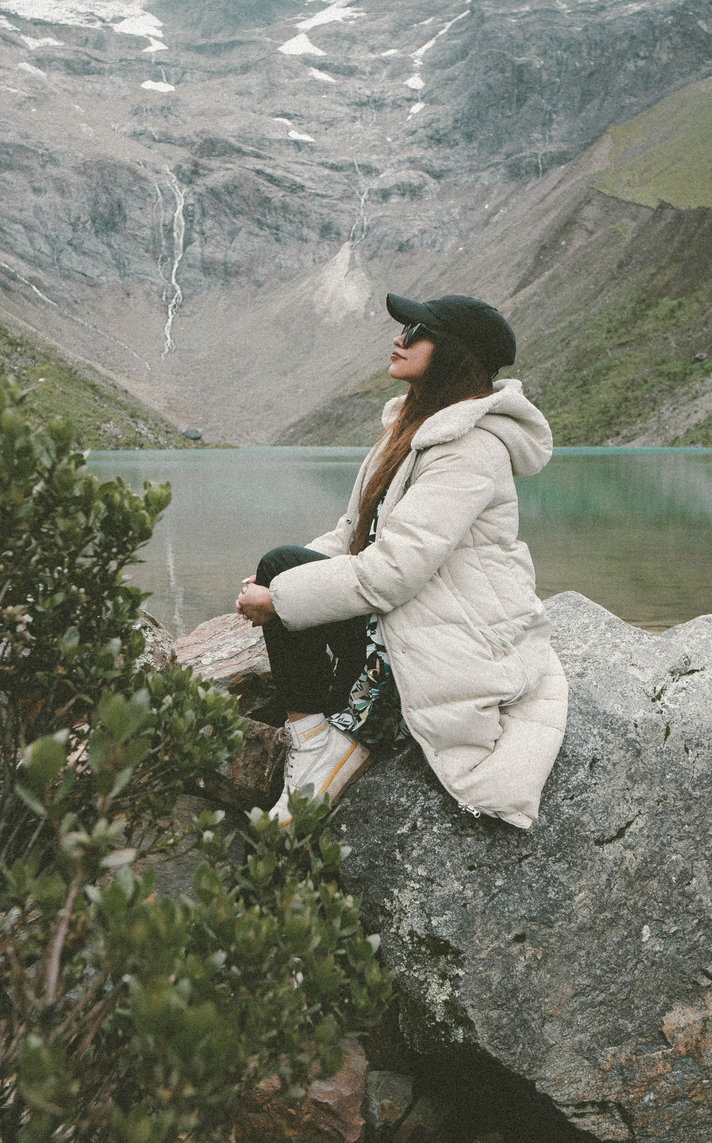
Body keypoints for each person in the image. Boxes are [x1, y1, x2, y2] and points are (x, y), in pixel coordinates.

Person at [235, 292, 568, 829]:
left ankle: (337, 746)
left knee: (287, 584)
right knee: (282, 564)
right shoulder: (411, 429)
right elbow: (352, 536)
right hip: (413, 611)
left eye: (415, 331)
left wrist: (280, 599)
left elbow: (392, 572)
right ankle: (311, 739)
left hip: (450, 636)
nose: (398, 338)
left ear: (454, 353)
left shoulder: (470, 449)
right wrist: (283, 582)